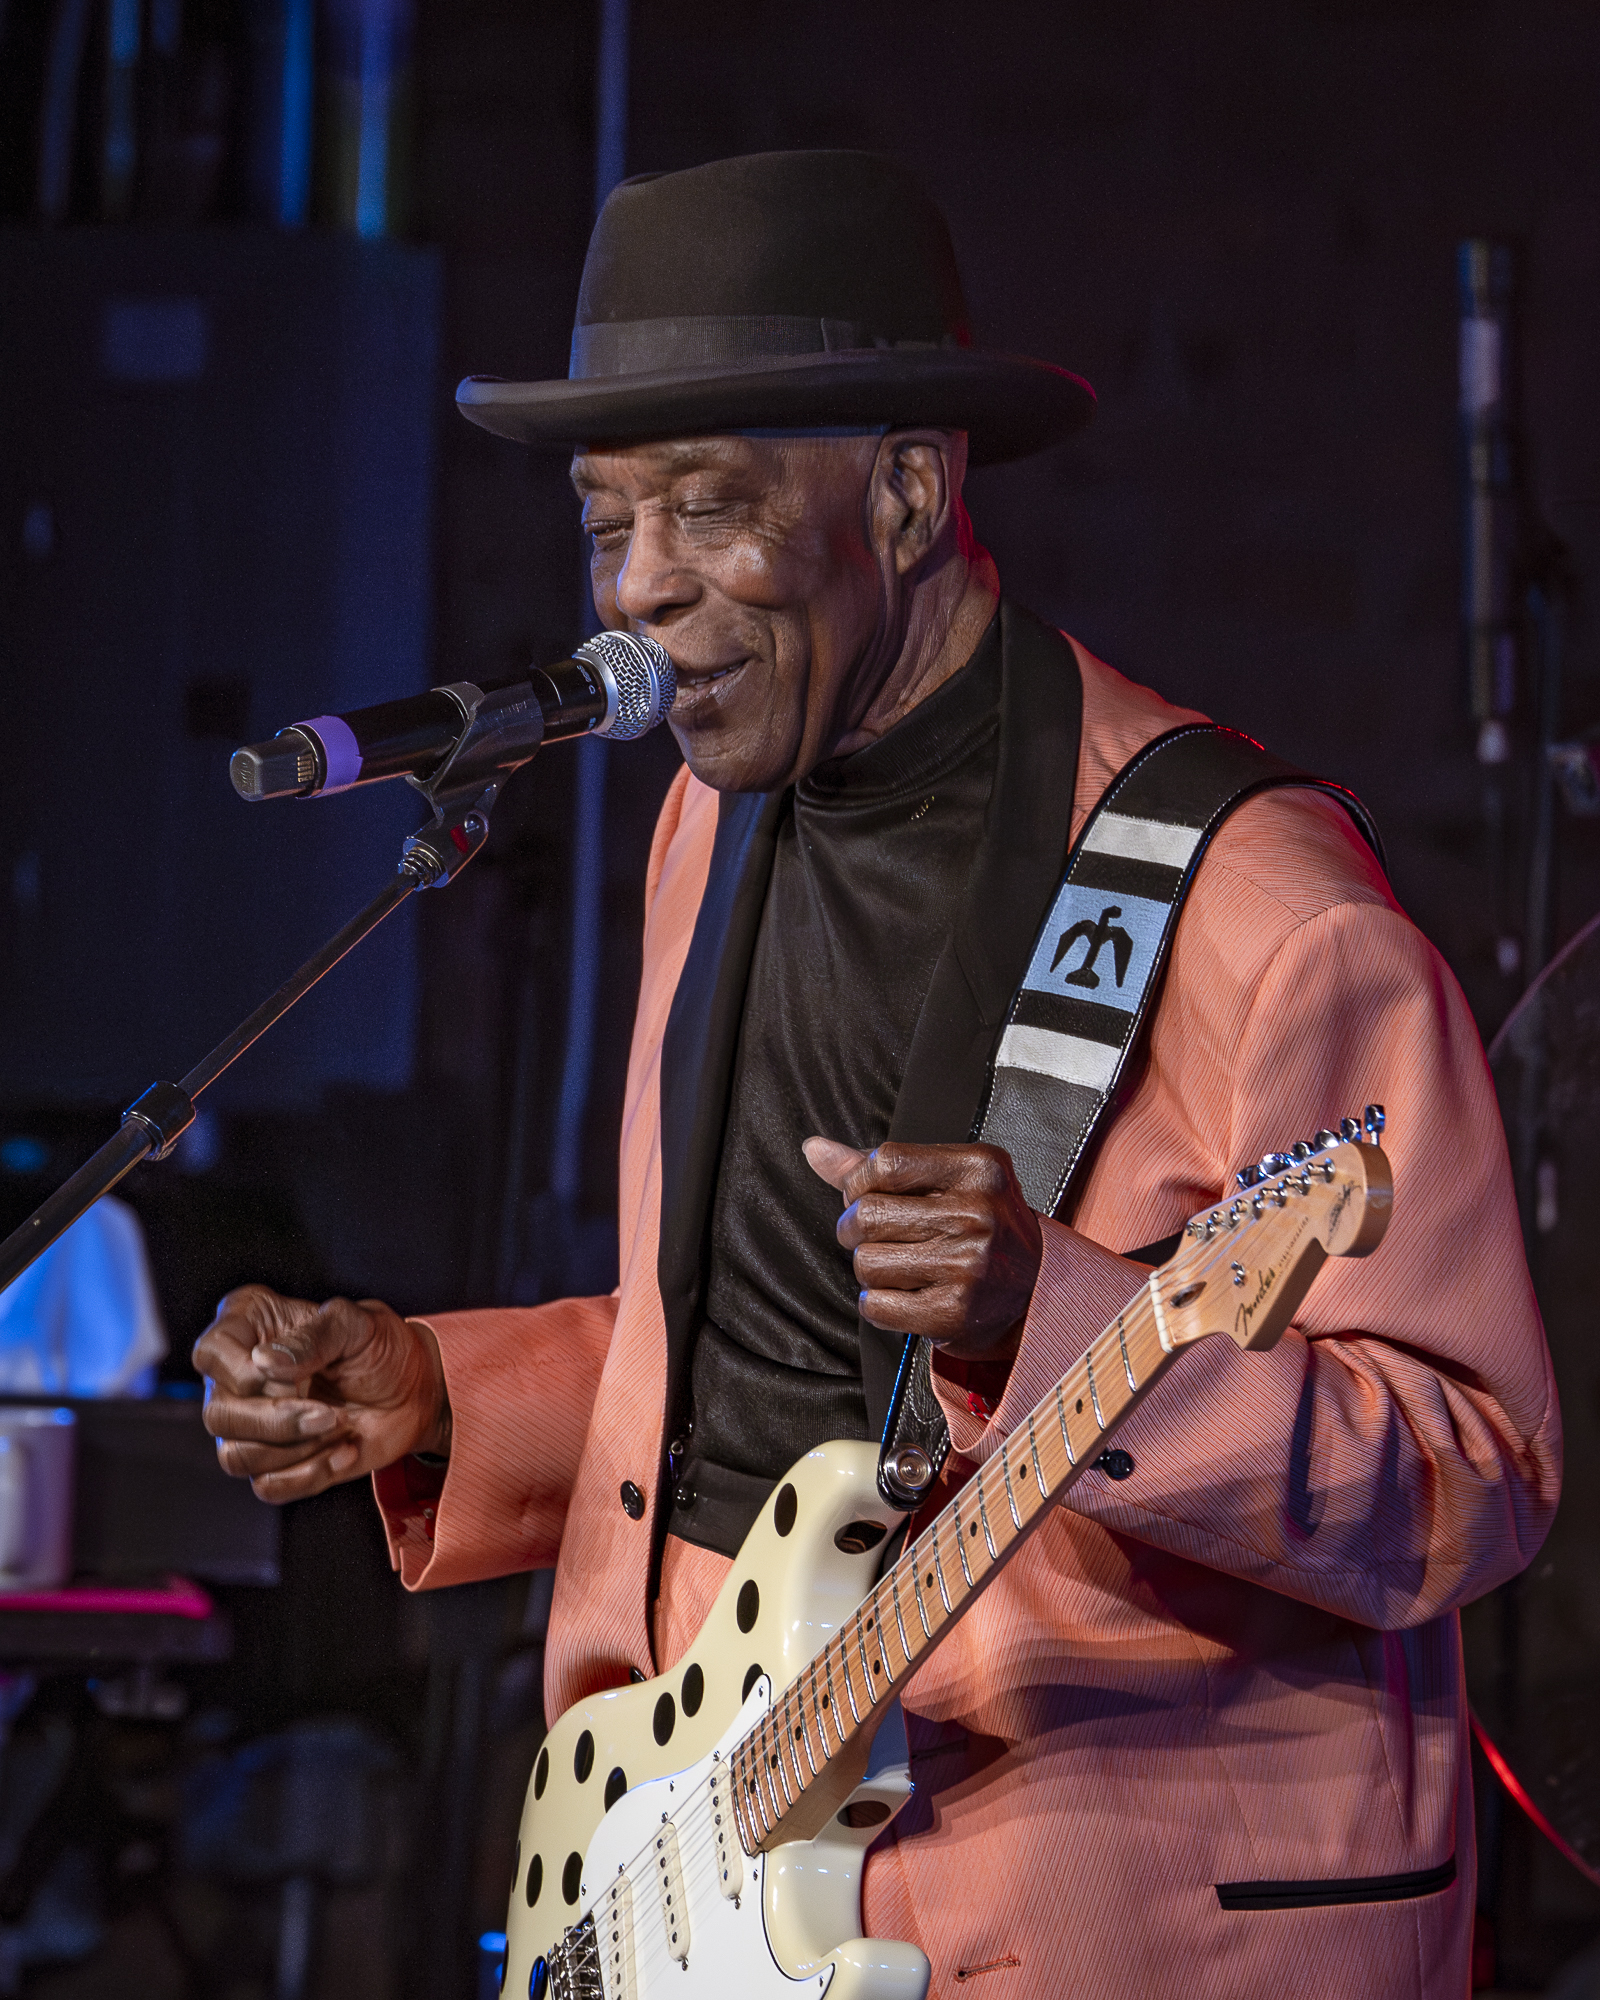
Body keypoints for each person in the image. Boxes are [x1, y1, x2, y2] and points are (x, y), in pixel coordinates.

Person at [194, 152, 1559, 1998]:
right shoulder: (712, 824)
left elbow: (1473, 1475)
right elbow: (737, 1344)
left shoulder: (1262, 909)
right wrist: (438, 1393)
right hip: (704, 1847)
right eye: (611, 522)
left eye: (713, 508)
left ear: (908, 493)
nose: (645, 590)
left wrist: (1055, 1317)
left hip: (1105, 1909)